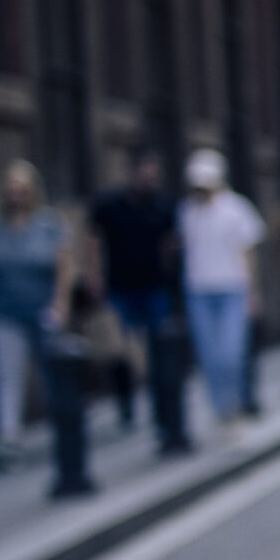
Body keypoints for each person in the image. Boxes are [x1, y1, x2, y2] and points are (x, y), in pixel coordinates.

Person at [0, 159, 69, 468]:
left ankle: (65, 433)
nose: (16, 196)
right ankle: (8, 440)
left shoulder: (49, 225)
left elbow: (65, 267)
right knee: (7, 377)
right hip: (3, 313)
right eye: (11, 190)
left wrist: (60, 304)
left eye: (22, 190)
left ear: (33, 191)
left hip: (42, 311)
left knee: (51, 374)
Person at [87, 151, 178, 429]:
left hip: (154, 288)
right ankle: (126, 402)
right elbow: (92, 241)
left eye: (154, 176)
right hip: (120, 289)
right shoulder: (110, 204)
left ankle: (160, 405)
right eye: (146, 175)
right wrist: (94, 277)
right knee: (121, 353)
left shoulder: (164, 206)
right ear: (134, 173)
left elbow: (171, 243)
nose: (150, 180)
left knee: (157, 349)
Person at [178, 148, 264, 435]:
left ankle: (237, 405)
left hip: (232, 289)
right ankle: (223, 410)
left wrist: (253, 291)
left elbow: (248, 252)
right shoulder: (187, 211)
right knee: (209, 357)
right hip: (199, 291)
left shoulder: (236, 209)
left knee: (231, 353)